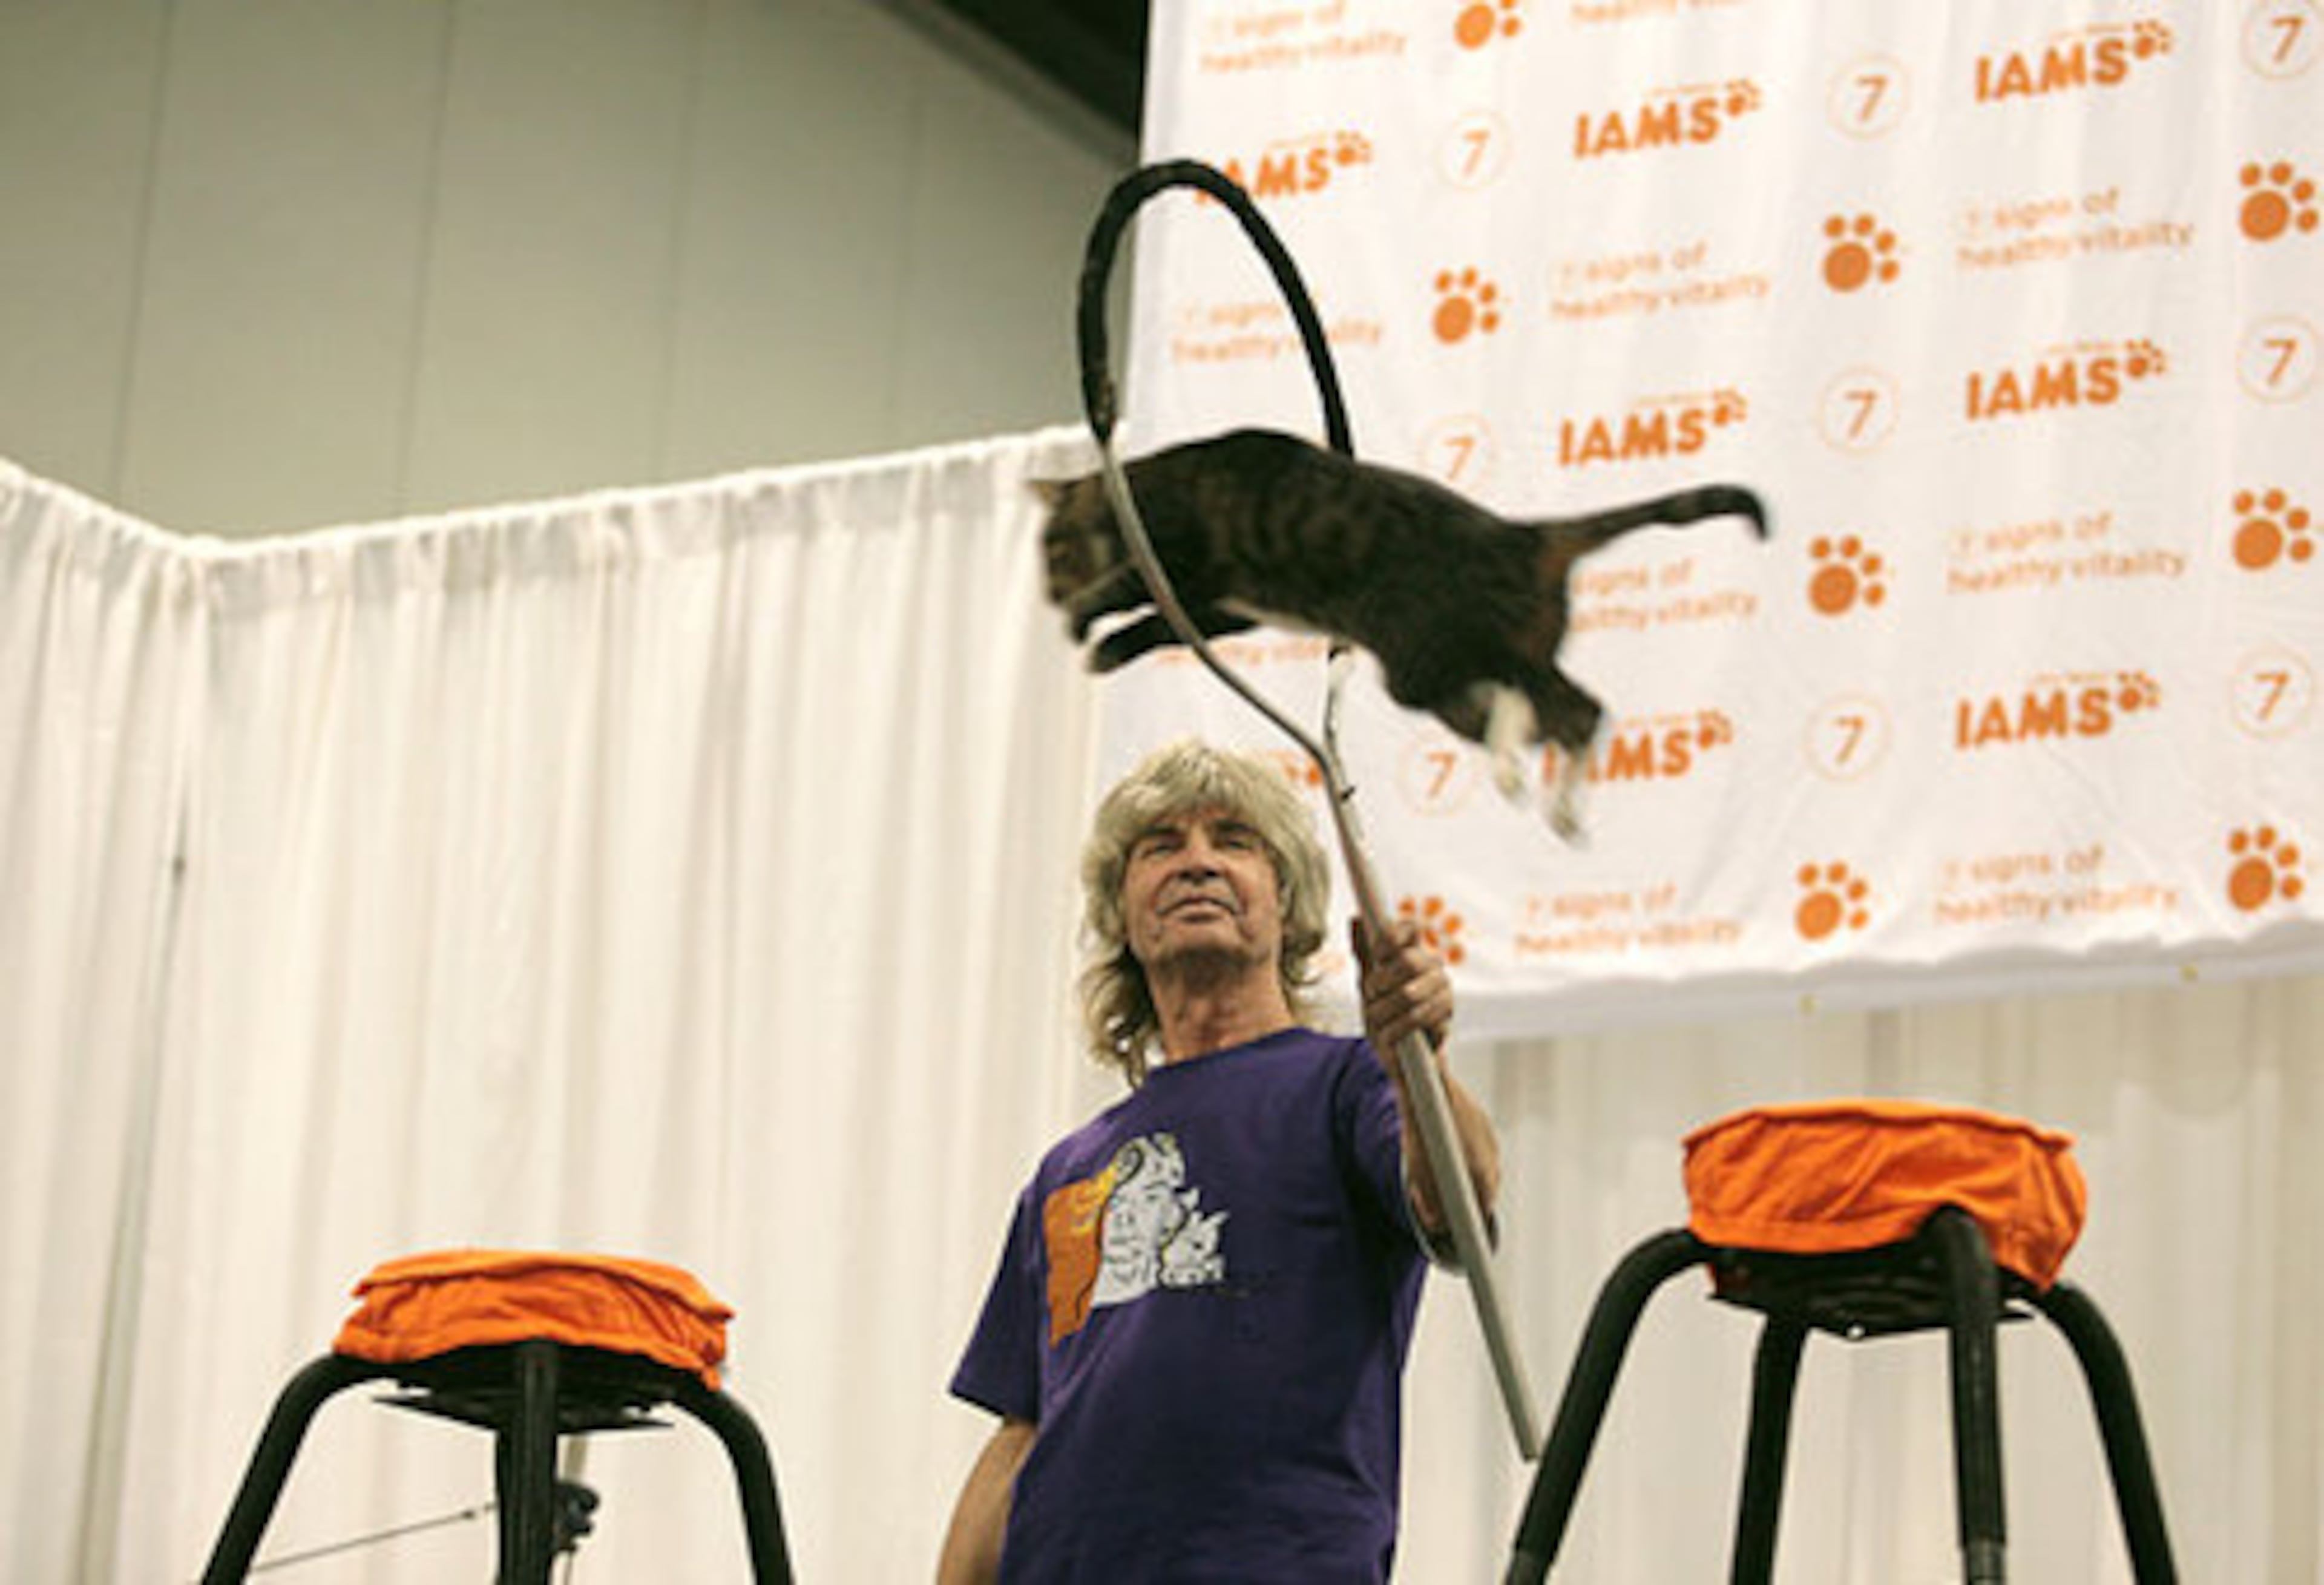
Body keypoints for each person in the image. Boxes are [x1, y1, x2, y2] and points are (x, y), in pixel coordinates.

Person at [937, 739, 1502, 1583]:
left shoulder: (1348, 1084)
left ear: (1288, 907)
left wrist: (1422, 1060)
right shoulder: (1068, 1170)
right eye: (1161, 846)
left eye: (1233, 840)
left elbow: (1458, 1203)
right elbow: (1021, 1429)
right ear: (1124, 917)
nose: (1197, 862)